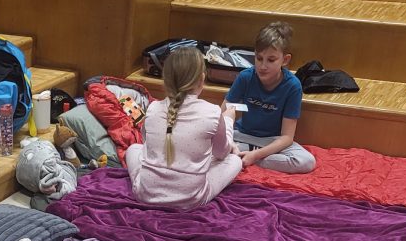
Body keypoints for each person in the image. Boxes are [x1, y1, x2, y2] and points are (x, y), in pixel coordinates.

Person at [125, 45, 242, 208]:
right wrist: (228, 121)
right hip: (192, 198)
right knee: (234, 160)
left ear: (165, 80)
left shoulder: (152, 108)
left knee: (133, 149)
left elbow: (146, 144)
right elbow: (221, 153)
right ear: (202, 79)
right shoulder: (213, 112)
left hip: (145, 194)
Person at [224, 21, 316, 174]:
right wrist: (229, 142)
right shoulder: (245, 77)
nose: (262, 66)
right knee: (208, 144)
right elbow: (224, 114)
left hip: (272, 140)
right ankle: (242, 154)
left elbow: (287, 137)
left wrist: (256, 155)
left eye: (271, 60)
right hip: (241, 136)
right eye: (259, 58)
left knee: (306, 162)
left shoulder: (293, 86)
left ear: (285, 60)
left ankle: (244, 157)